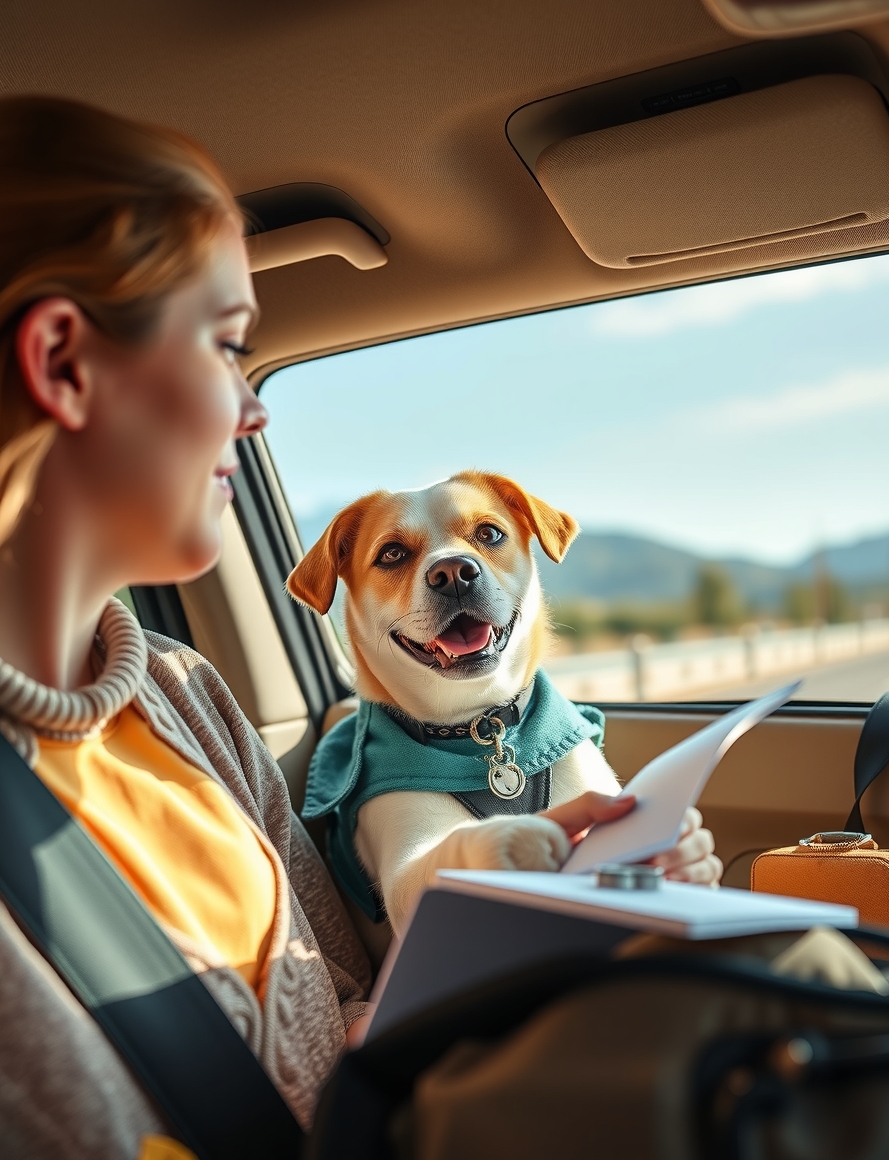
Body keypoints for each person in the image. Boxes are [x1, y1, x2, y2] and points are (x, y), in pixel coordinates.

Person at [0, 95, 720, 1159]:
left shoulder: (186, 694)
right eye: (227, 343)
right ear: (63, 361)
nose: (256, 409)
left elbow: (345, 1006)